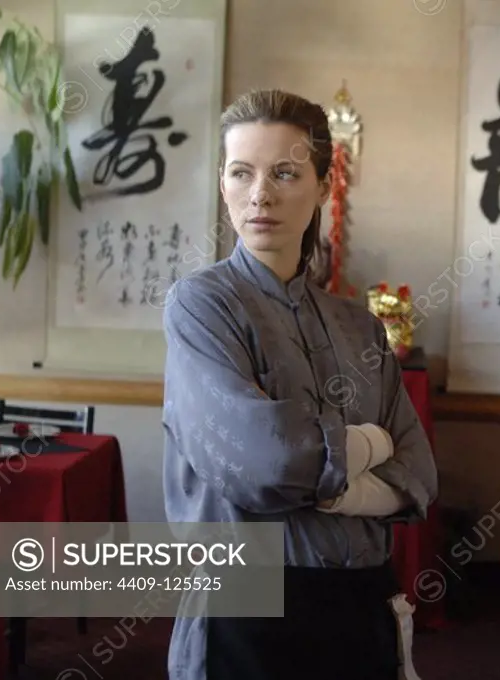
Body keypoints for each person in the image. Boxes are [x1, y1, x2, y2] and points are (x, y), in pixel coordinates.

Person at [161, 89, 438, 680]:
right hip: (247, 599)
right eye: (242, 173)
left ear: (321, 186)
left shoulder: (360, 326)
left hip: (363, 597)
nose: (260, 193)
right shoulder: (203, 305)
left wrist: (322, 459)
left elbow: (418, 473)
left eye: (285, 173)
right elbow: (264, 464)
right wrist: (369, 446)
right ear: (222, 184)